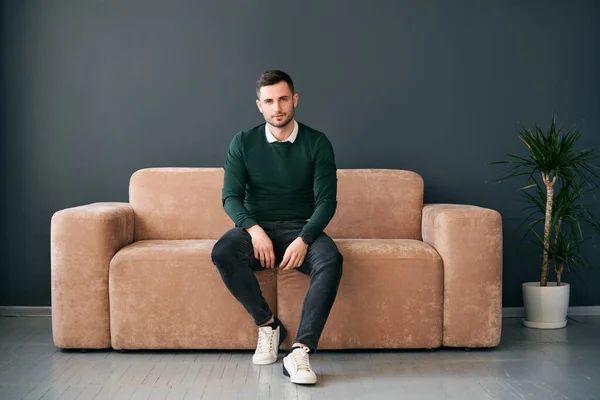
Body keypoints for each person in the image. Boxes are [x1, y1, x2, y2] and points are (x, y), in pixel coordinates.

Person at [211, 70, 343, 385]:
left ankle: (299, 351)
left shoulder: (317, 142)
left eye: (283, 99)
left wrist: (305, 238)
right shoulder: (243, 142)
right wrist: (254, 231)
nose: (277, 107)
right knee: (223, 252)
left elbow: (327, 201)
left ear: (294, 100)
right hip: (256, 229)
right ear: (260, 105)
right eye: (269, 101)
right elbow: (230, 197)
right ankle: (269, 326)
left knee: (331, 260)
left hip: (301, 228)